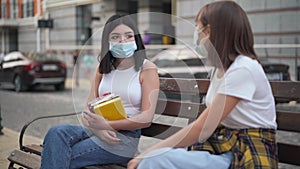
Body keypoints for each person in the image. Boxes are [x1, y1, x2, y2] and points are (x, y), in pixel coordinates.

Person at [128, 1, 277, 169]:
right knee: (158, 160)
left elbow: (202, 128)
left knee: (156, 160)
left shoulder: (243, 69)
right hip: (223, 148)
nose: (196, 32)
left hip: (246, 153)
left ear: (209, 31)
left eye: (197, 26)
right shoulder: (220, 69)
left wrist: (148, 153)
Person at [41, 14, 159, 169]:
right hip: (97, 130)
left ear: (136, 38)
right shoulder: (103, 68)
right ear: (107, 41)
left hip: (124, 139)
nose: (123, 41)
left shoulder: (147, 68)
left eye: (128, 36)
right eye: (115, 37)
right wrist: (98, 130)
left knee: (58, 154)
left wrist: (108, 124)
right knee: (56, 132)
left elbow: (146, 118)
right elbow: (87, 110)